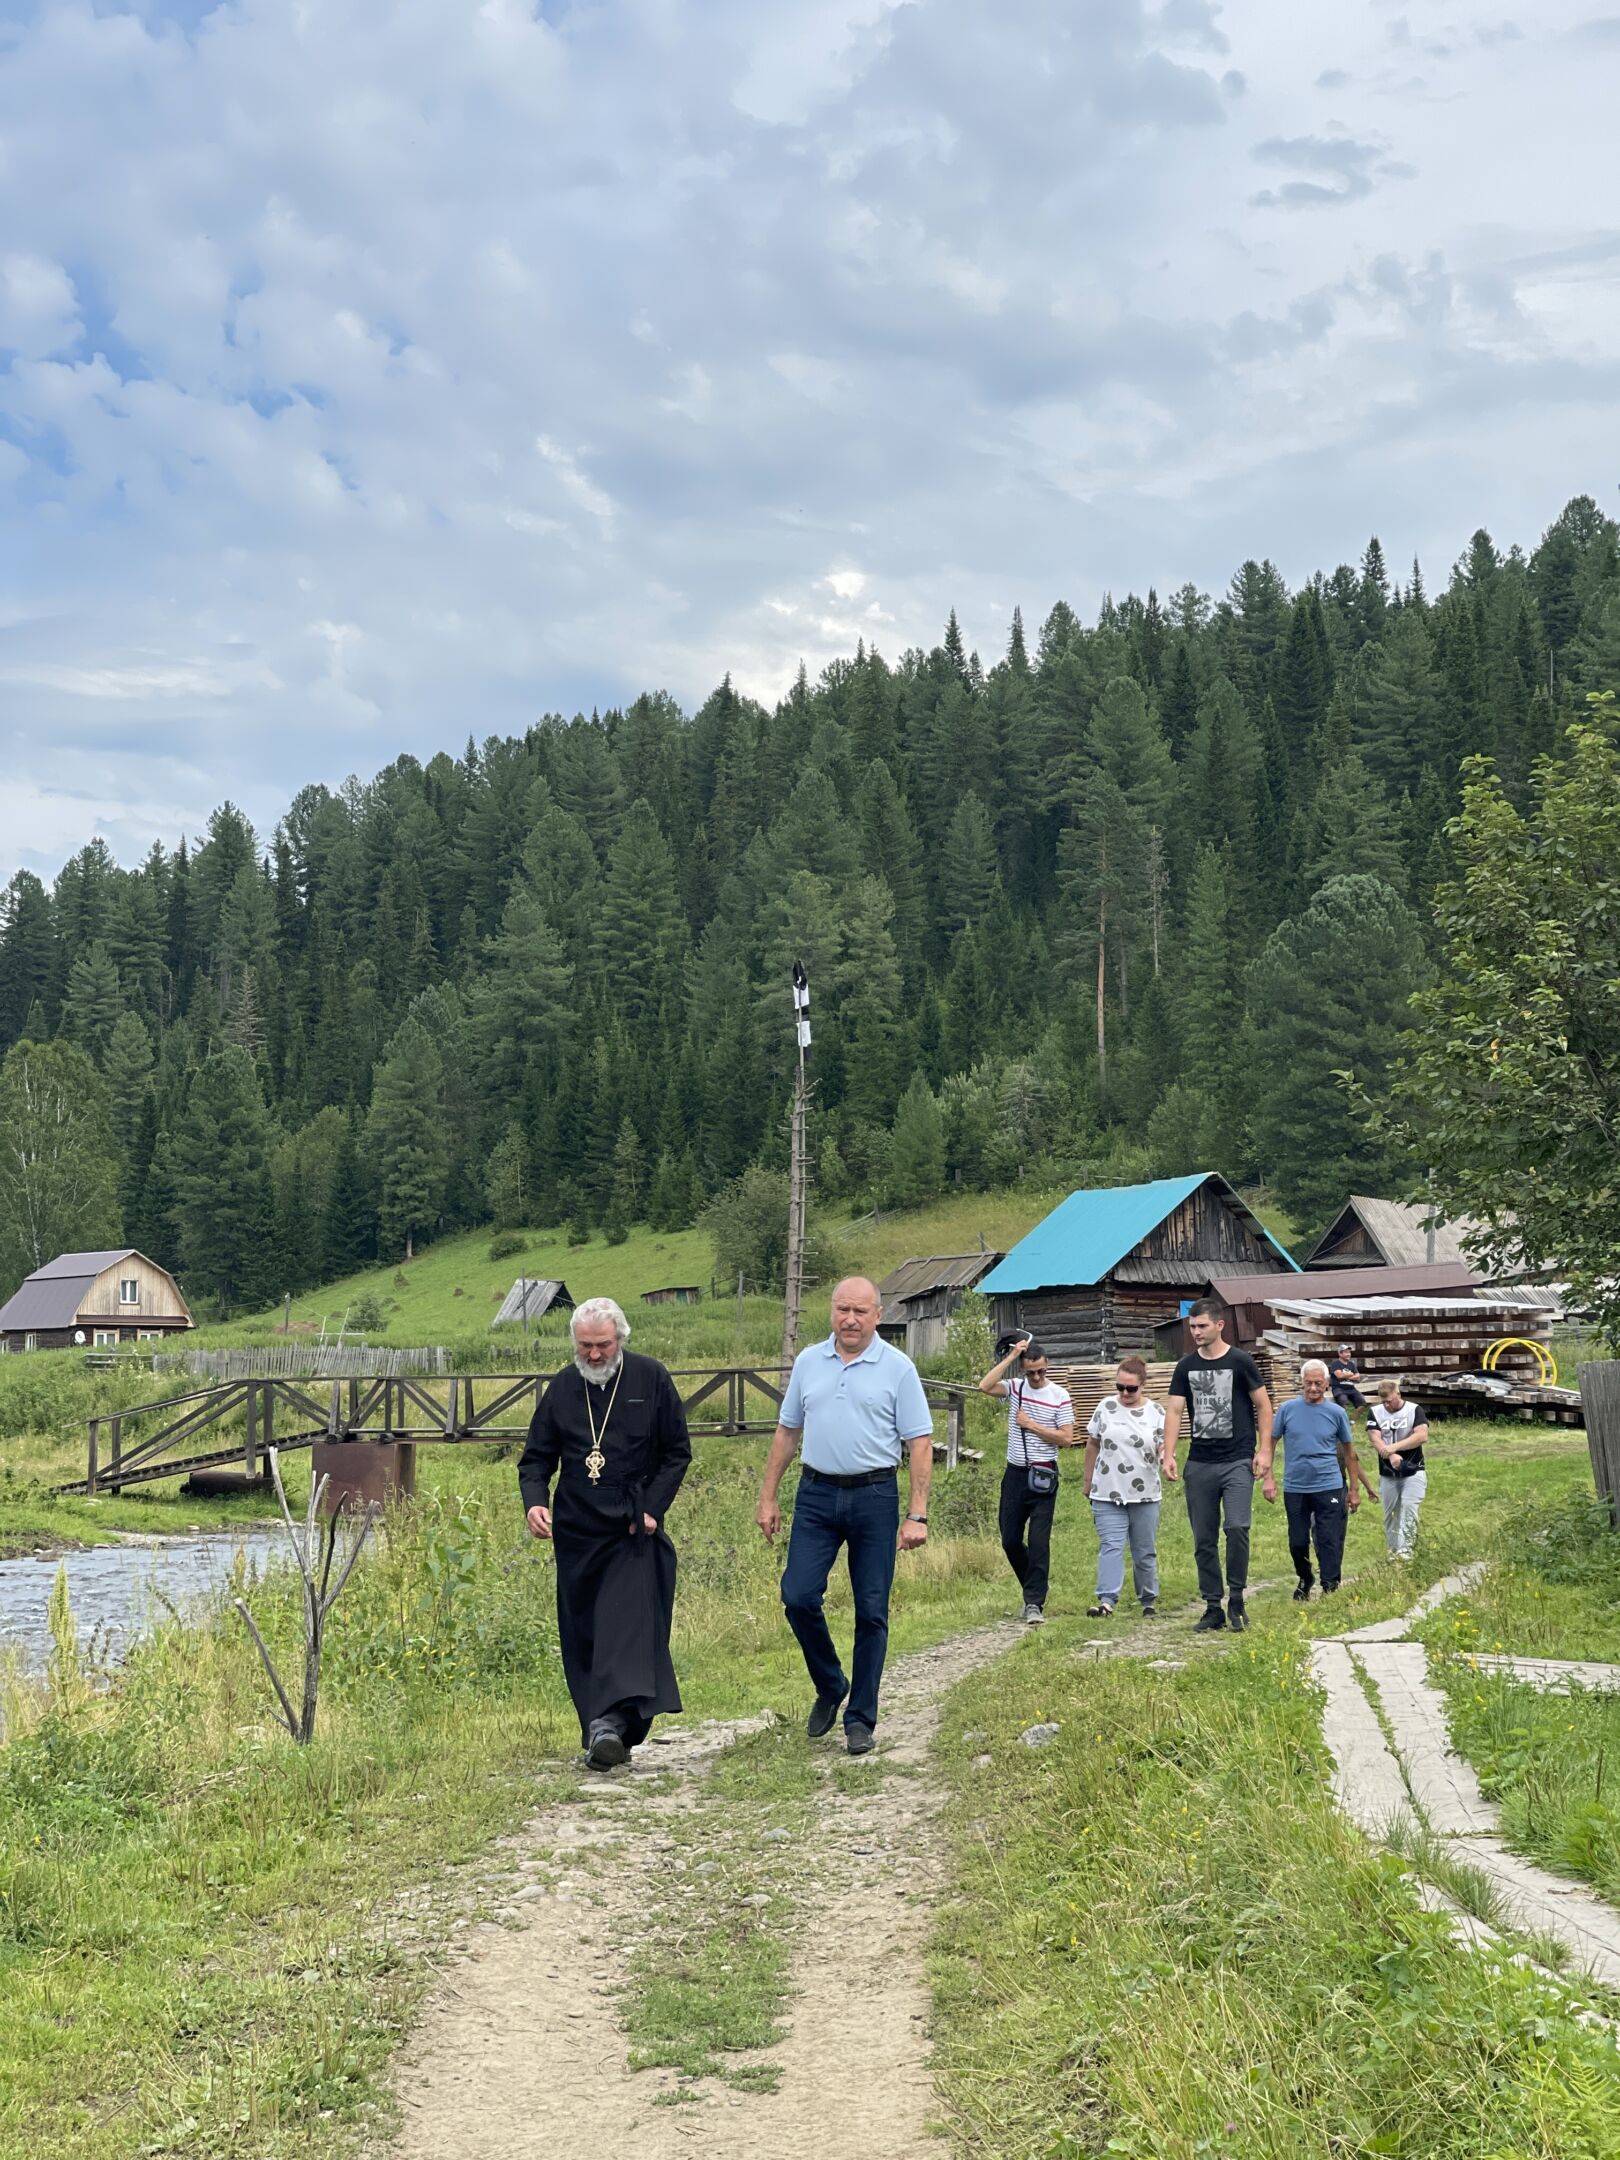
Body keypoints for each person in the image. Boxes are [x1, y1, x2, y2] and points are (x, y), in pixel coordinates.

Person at [756, 1277, 934, 1755]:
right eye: (842, 1309)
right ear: (832, 1311)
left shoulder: (897, 1368)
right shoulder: (809, 1362)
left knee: (871, 1609)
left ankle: (860, 1719)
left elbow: (919, 1443)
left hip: (874, 1496)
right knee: (797, 1596)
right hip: (816, 1494)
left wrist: (917, 1514)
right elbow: (787, 1431)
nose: (850, 1320)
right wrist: (768, 1496)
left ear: (877, 1315)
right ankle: (832, 1683)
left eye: (860, 1311)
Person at [518, 1297, 691, 1770]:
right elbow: (536, 1458)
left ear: (621, 1340)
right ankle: (603, 1730)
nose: (594, 1355)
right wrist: (535, 1501)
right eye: (585, 1346)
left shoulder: (650, 1378)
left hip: (631, 1527)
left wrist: (652, 1508)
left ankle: (609, 1725)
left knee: (627, 1627)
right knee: (585, 1633)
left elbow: (677, 1452)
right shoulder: (562, 1386)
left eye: (603, 1345)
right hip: (576, 1528)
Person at [1162, 1298, 1272, 1633]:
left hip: (1237, 1459)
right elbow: (1174, 1411)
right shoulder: (1186, 1366)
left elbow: (1264, 1407)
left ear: (1219, 1325)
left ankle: (1236, 1598)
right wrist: (1169, 1453)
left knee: (1237, 1528)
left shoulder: (1240, 1361)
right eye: (1192, 1326)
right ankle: (1213, 1606)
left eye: (1202, 1326)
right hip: (1200, 1463)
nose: (1196, 1332)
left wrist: (1265, 1450)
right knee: (1203, 1539)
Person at [977, 1334, 1077, 1625]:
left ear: (1047, 1366)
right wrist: (1010, 1357)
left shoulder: (1059, 1396)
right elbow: (984, 1386)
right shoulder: (1015, 1388)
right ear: (1022, 1370)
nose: (1036, 1377)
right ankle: (1033, 1586)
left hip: (1044, 1473)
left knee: (1038, 1541)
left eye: (1041, 1371)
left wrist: (1031, 1425)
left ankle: (1034, 1602)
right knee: (1010, 1540)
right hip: (1015, 1474)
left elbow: (1067, 1438)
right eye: (1030, 1372)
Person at [1260, 1359, 1352, 1600]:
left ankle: (1330, 1585)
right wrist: (1268, 1478)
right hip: (1296, 1486)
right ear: (1301, 1382)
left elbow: (1350, 1452)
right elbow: (1269, 1444)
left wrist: (1353, 1489)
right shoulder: (1287, 1409)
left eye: (1318, 1383)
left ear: (1327, 1383)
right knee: (1297, 1541)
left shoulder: (1337, 1413)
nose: (1313, 1388)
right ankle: (1305, 1576)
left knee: (1328, 1538)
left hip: (1329, 1484)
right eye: (1308, 1383)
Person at [1082, 1355, 1164, 1620]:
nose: (1125, 1393)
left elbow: (1163, 1445)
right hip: (1107, 1491)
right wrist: (1087, 1480)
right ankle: (1106, 1601)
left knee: (1144, 1550)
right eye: (1120, 1387)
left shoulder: (1156, 1412)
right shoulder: (1105, 1407)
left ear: (1143, 1386)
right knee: (1111, 1546)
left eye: (1131, 1388)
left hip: (1145, 1494)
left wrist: (1167, 1459)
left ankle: (1148, 1600)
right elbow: (1093, 1443)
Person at [1369, 1380, 1429, 1559]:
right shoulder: (1375, 1412)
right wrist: (1390, 1455)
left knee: (1409, 1506)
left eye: (1390, 1401)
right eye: (1384, 1402)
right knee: (1391, 1513)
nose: (1387, 1405)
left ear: (1398, 1395)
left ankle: (1406, 1550)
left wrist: (1394, 1448)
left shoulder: (1414, 1410)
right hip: (1388, 1471)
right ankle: (1393, 1550)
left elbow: (1421, 1435)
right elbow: (1375, 1438)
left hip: (1413, 1467)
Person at [1329, 1342, 1367, 1412]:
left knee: (1362, 1402)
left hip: (1351, 1389)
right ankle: (1344, 1416)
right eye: (1346, 1352)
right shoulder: (1335, 1364)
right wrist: (1351, 1374)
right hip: (1339, 1389)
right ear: (1340, 1354)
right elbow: (1339, 1376)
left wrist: (1347, 1376)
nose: (1349, 1354)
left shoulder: (1351, 1364)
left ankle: (1353, 1418)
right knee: (1343, 1401)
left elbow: (1358, 1377)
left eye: (1349, 1352)